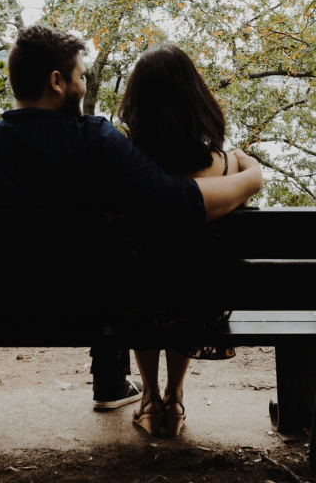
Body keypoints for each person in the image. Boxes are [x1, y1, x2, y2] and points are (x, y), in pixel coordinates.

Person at [0, 25, 262, 411]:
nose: (84, 85)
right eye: (81, 76)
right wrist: (250, 178)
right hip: (73, 311)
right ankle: (113, 381)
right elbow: (177, 204)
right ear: (57, 82)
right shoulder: (94, 142)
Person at [115, 43, 243, 437]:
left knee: (142, 284)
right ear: (195, 98)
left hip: (135, 303)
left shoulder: (125, 165)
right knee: (186, 283)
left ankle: (150, 397)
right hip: (201, 305)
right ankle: (175, 396)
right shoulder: (225, 165)